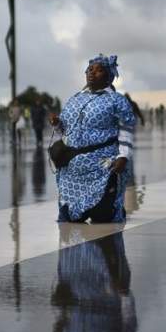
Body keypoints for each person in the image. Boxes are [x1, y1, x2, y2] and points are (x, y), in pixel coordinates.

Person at [50, 54, 136, 223]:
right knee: (72, 217)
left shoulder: (116, 100)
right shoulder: (75, 99)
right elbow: (65, 132)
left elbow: (126, 129)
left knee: (102, 216)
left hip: (102, 165)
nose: (92, 73)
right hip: (73, 169)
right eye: (90, 70)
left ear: (109, 75)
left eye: (99, 70)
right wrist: (57, 123)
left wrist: (123, 155)